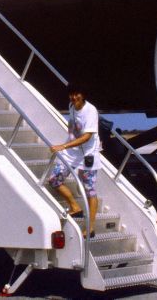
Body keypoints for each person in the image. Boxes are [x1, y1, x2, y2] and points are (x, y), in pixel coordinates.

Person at [48, 87, 102, 238]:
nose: (73, 97)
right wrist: (68, 143)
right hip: (72, 152)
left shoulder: (90, 111)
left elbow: (87, 137)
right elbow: (72, 128)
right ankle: (74, 206)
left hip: (88, 155)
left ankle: (90, 227)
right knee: (54, 179)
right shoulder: (71, 107)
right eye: (71, 94)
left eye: (77, 94)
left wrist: (63, 146)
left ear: (83, 95)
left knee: (89, 190)